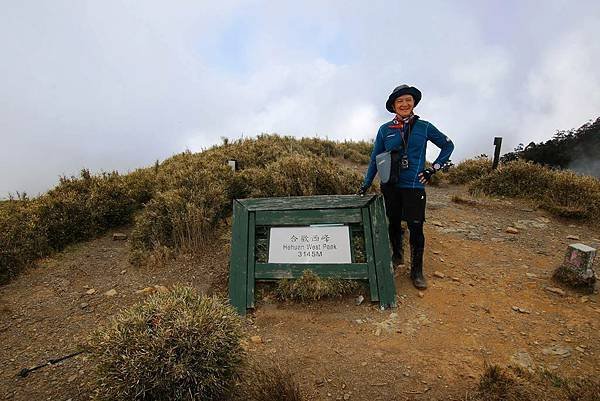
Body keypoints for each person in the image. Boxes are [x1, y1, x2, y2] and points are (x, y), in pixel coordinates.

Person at [358, 84, 454, 290]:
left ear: (414, 103)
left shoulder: (424, 127)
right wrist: (366, 183)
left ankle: (417, 271)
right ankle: (397, 256)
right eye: (399, 101)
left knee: (416, 226)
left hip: (414, 185)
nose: (404, 104)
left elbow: (448, 145)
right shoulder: (385, 130)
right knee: (393, 222)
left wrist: (433, 169)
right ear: (393, 106)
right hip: (390, 185)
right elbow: (375, 158)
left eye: (407, 100)